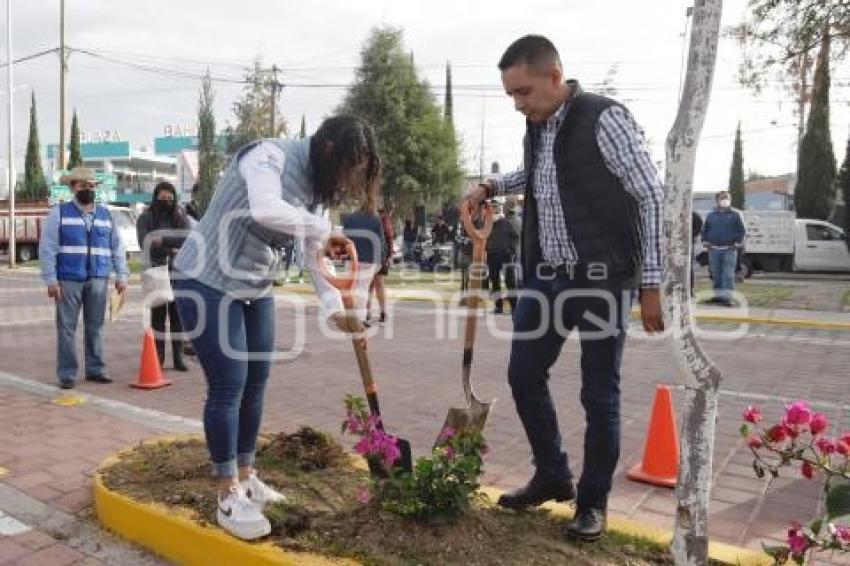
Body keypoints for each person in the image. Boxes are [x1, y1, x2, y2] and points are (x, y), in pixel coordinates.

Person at [461, 35, 665, 541]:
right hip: (548, 278)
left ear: (555, 77)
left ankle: (592, 503)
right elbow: (540, 174)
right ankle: (553, 474)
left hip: (602, 279)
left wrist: (652, 281)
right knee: (523, 374)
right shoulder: (539, 125)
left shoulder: (604, 118)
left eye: (523, 92)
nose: (517, 104)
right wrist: (491, 185)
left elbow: (651, 197)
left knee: (599, 395)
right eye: (511, 95)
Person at [171, 116, 377, 541]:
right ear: (328, 152)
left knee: (258, 380)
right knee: (230, 382)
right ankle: (227, 491)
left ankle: (247, 476)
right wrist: (325, 226)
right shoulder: (269, 156)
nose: (348, 180)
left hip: (253, 285)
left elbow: (311, 251)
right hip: (205, 278)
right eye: (348, 169)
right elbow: (267, 208)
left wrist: (334, 305)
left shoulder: (317, 192)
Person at [38, 167, 129, 389]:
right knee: (67, 328)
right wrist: (51, 280)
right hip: (68, 280)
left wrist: (122, 275)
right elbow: (47, 248)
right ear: (72, 188)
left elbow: (117, 248)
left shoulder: (107, 215)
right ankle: (67, 375)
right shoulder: (59, 213)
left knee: (95, 326)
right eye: (82, 185)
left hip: (98, 279)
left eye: (90, 186)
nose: (87, 189)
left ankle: (95, 369)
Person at [136, 181, 191, 371]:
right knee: (158, 318)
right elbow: (145, 241)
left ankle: (178, 357)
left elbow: (187, 238)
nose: (166, 201)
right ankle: (157, 357)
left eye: (170, 198)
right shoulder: (146, 217)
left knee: (178, 317)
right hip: (156, 271)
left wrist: (163, 240)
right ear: (155, 198)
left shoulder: (180, 215)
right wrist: (172, 246)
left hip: (177, 272)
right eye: (162, 198)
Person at [342, 196, 385, 326]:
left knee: (352, 288)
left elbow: (344, 238)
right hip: (369, 258)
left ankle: (351, 315)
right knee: (363, 288)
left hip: (352, 258)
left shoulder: (349, 219)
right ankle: (359, 319)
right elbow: (380, 242)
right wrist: (380, 260)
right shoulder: (375, 220)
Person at [701, 190, 745, 306]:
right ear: (717, 200)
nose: (724, 200)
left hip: (729, 249)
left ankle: (727, 299)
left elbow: (741, 230)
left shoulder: (735, 215)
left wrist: (737, 243)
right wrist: (705, 241)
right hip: (714, 249)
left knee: (728, 274)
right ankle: (717, 297)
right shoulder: (711, 215)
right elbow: (705, 230)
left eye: (727, 198)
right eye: (722, 198)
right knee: (715, 273)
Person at [485, 202, 519, 314]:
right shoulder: (487, 224)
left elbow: (515, 237)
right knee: (495, 281)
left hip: (506, 255)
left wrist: (511, 250)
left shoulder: (506, 223)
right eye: (493, 210)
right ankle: (498, 307)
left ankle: (514, 307)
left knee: (510, 281)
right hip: (492, 256)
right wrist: (487, 249)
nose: (495, 212)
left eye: (497, 210)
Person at [690, 211, 704, 296]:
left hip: (689, 244)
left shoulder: (694, 216)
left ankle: (690, 290)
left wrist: (690, 235)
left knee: (689, 268)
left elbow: (699, 227)